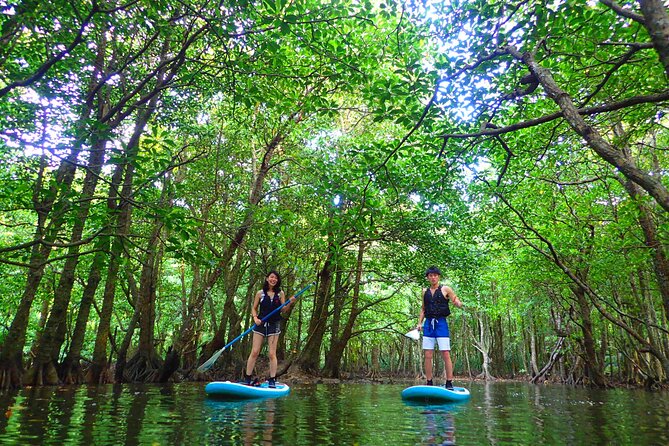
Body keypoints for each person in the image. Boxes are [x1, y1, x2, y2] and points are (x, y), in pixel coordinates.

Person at [244, 271, 295, 387]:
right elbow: (254, 308)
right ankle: (247, 378)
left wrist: (290, 303)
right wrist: (255, 318)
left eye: (276, 278)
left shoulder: (280, 293)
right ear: (267, 279)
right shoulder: (260, 293)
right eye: (271, 277)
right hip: (261, 323)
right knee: (255, 351)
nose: (273, 279)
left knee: (272, 353)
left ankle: (272, 379)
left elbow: (283, 309)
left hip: (274, 324)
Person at [416, 266, 463, 389]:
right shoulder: (424, 291)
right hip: (428, 324)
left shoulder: (445, 289)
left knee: (445, 353)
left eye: (435, 275)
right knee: (428, 354)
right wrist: (419, 323)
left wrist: (457, 303)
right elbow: (423, 309)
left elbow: (455, 299)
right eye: (430, 275)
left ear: (438, 277)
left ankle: (449, 382)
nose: (433, 277)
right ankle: (429, 381)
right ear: (427, 277)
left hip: (441, 323)